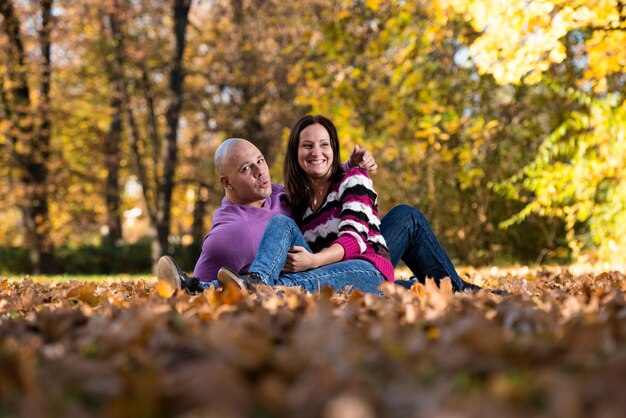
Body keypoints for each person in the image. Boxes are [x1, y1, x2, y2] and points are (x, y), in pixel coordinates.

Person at [157, 116, 477, 294]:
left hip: (364, 265)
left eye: (324, 145)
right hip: (333, 274)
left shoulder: (340, 182)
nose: (316, 152)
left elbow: (353, 237)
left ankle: (458, 289)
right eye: (307, 146)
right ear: (296, 154)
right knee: (281, 228)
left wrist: (352, 170)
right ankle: (240, 287)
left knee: (408, 216)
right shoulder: (292, 200)